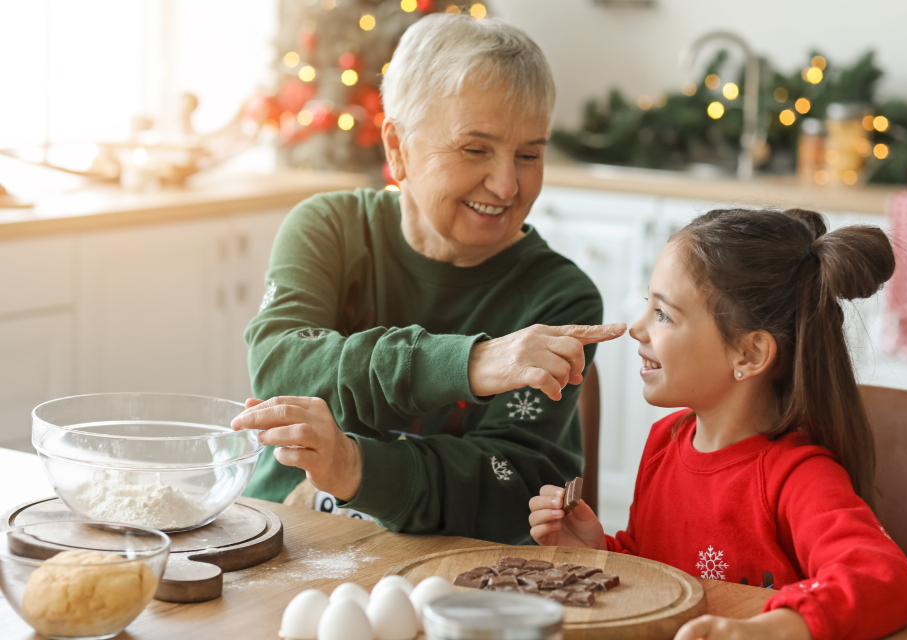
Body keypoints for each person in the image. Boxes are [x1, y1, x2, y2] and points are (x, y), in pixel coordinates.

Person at [231, 13, 625, 544]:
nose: (508, 184)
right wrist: (470, 363)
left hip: (453, 573)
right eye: (475, 149)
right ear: (398, 149)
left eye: (529, 154)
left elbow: (514, 485)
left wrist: (355, 467)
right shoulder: (329, 229)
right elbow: (280, 368)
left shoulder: (559, 295)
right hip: (291, 542)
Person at [528, 208, 907, 640]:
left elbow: (885, 577)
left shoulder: (799, 476)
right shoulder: (665, 441)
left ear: (749, 354)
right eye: (648, 305)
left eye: (663, 314)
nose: (637, 328)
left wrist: (773, 630)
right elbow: (659, 568)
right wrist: (599, 552)